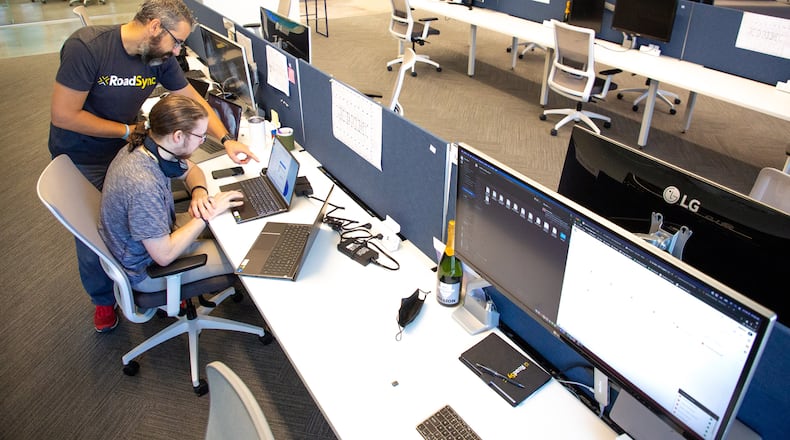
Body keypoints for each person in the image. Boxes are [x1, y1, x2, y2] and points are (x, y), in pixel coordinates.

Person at [49, 0, 257, 332]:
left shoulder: (157, 56)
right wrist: (126, 130)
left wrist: (225, 138)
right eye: (177, 41)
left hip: (126, 145)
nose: (178, 51)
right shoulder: (87, 48)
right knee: (92, 230)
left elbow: (194, 100)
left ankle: (152, 269)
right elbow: (64, 115)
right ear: (155, 27)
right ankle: (104, 301)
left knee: (123, 216)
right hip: (82, 151)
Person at [99, 95, 243, 295]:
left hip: (159, 234)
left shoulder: (149, 146)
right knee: (242, 255)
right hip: (149, 269)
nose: (202, 142)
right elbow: (164, 256)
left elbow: (193, 171)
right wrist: (206, 214)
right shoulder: (143, 184)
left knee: (233, 226)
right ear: (177, 136)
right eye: (200, 136)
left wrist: (199, 193)